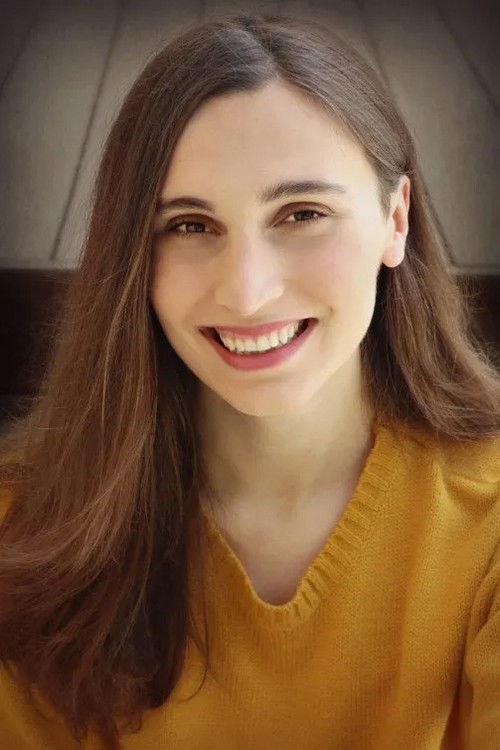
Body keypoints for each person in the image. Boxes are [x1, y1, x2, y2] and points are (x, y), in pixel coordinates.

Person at [0, 12, 499, 750]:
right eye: (190, 226)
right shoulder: (20, 532)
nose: (247, 292)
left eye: (302, 213)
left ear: (396, 219)